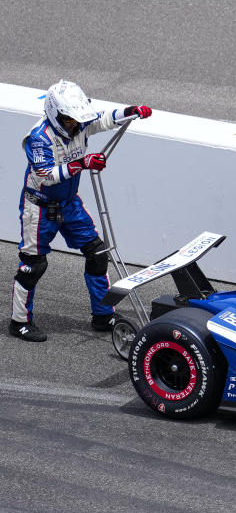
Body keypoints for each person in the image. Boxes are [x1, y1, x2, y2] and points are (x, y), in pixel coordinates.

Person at [8, 80, 152, 342]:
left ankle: (102, 315)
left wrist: (131, 110)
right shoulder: (39, 137)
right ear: (55, 113)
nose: (75, 124)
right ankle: (19, 322)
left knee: (97, 254)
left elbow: (105, 119)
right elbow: (47, 176)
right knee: (33, 265)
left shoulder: (79, 122)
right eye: (69, 119)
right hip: (39, 207)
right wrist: (82, 163)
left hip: (68, 204)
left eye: (77, 119)